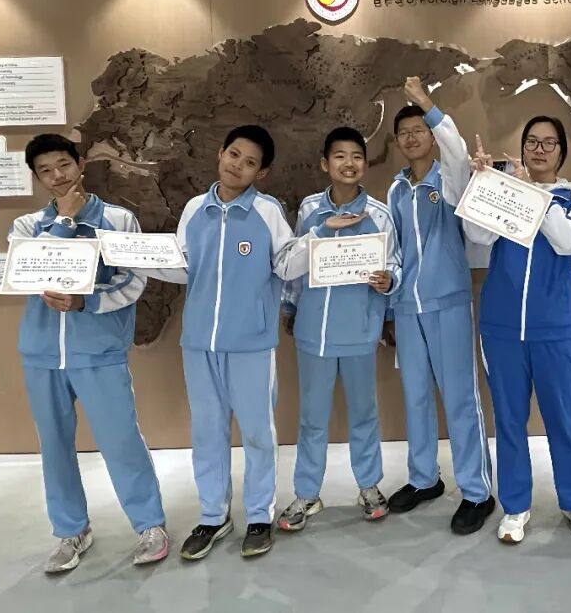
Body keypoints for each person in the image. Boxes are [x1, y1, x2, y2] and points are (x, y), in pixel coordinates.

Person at [12, 133, 166, 573]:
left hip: (99, 350)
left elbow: (133, 280)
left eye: (63, 164)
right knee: (54, 445)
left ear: (80, 163)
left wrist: (87, 302)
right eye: (45, 171)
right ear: (37, 178)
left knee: (121, 440)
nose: (57, 176)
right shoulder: (27, 227)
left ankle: (150, 525)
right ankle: (71, 530)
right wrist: (64, 221)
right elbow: (31, 273)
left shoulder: (118, 219)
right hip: (42, 353)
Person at [139, 125, 293, 560]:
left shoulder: (267, 212)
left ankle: (259, 515)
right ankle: (213, 515)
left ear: (261, 173)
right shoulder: (195, 209)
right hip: (199, 343)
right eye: (234, 155)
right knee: (207, 431)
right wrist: (136, 261)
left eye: (250, 162)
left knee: (258, 432)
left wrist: (322, 243)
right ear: (221, 153)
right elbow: (183, 265)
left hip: (251, 344)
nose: (238, 166)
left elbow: (287, 262)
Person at [464, 116, 571, 544]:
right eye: (532, 142)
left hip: (554, 330)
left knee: (564, 419)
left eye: (549, 143)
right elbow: (476, 235)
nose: (539, 150)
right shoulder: (504, 190)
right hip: (501, 329)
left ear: (561, 152)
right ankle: (516, 506)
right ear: (522, 148)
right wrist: (484, 185)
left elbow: (569, 242)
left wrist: (531, 194)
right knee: (509, 421)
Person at [383, 77, 495, 535]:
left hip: (448, 303)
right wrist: (391, 306)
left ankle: (477, 491)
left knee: (461, 399)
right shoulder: (395, 191)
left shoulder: (450, 180)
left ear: (431, 136)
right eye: (404, 132)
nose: (412, 137)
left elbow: (456, 150)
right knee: (415, 397)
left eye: (419, 130)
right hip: (408, 308)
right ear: (397, 142)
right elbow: (391, 253)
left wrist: (427, 104)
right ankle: (424, 478)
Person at [275, 126, 400, 530]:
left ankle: (369, 486)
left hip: (360, 331)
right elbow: (295, 265)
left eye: (357, 156)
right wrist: (290, 307)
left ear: (365, 164)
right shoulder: (310, 210)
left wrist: (389, 282)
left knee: (364, 414)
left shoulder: (380, 214)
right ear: (325, 163)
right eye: (340, 156)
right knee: (312, 418)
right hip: (314, 333)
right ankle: (306, 493)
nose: (349, 163)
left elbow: (394, 263)